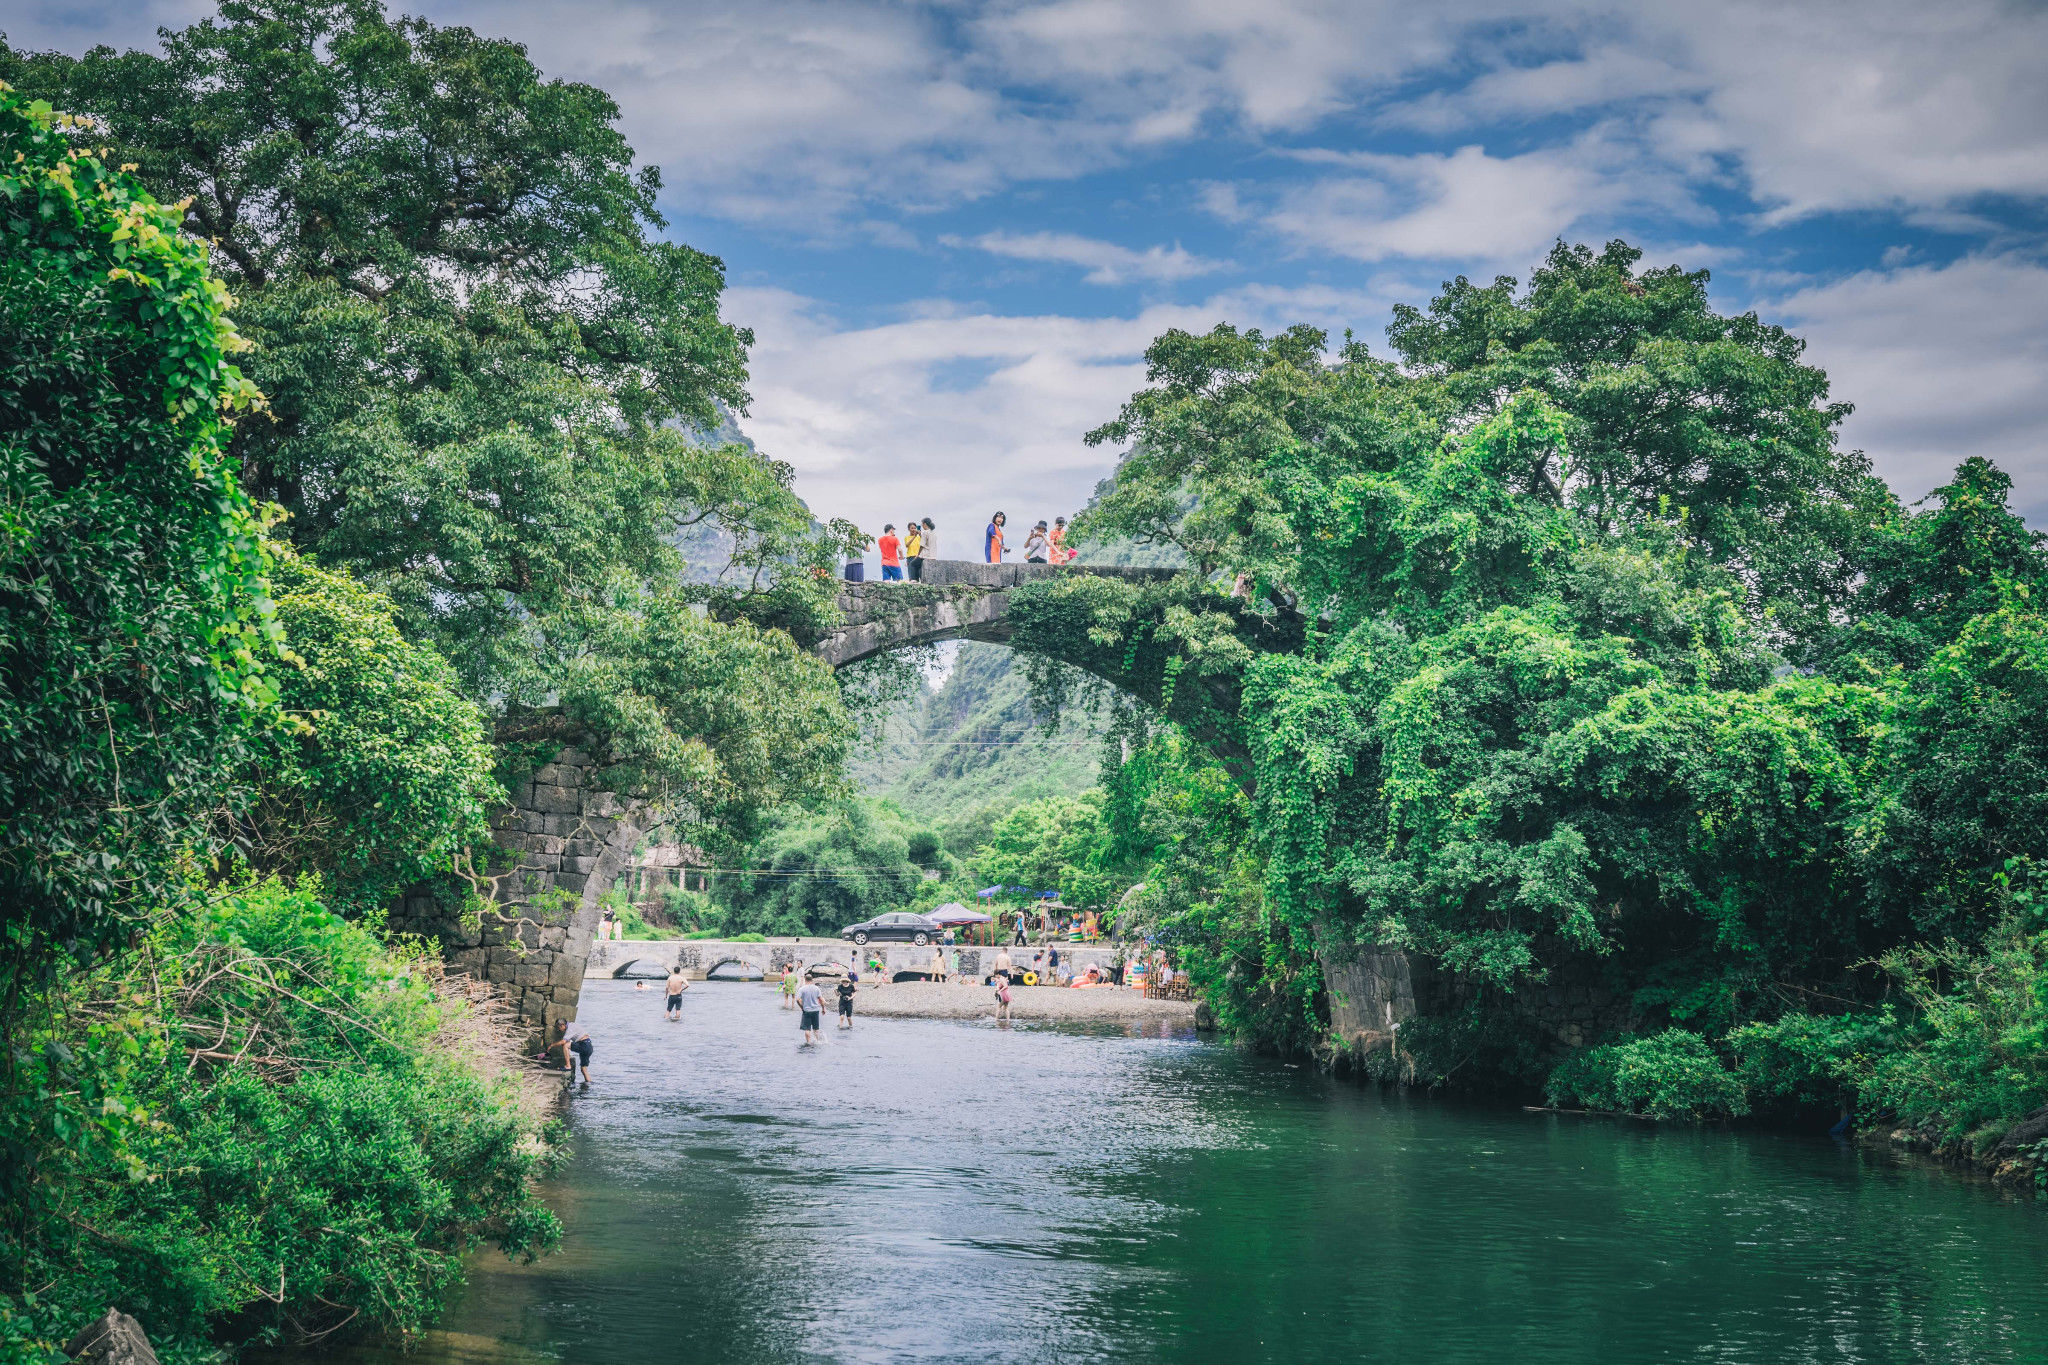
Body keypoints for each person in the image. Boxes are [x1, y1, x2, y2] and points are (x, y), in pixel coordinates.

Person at [537, 1019, 594, 1087]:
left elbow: (563, 1042)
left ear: (563, 1025)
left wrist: (552, 1045)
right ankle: (589, 1085)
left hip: (583, 1045)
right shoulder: (572, 1025)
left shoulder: (569, 1029)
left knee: (565, 1045)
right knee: (583, 1069)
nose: (559, 1030)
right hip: (589, 1047)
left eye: (559, 1028)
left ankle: (568, 1066)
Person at [796, 977, 825, 1045]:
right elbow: (821, 999)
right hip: (816, 1011)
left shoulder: (802, 989)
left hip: (807, 1011)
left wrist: (801, 1007)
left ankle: (808, 1042)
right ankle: (817, 1042)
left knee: (807, 1029)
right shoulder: (816, 988)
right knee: (816, 1028)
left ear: (805, 980)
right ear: (812, 980)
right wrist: (823, 1009)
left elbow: (797, 1000)